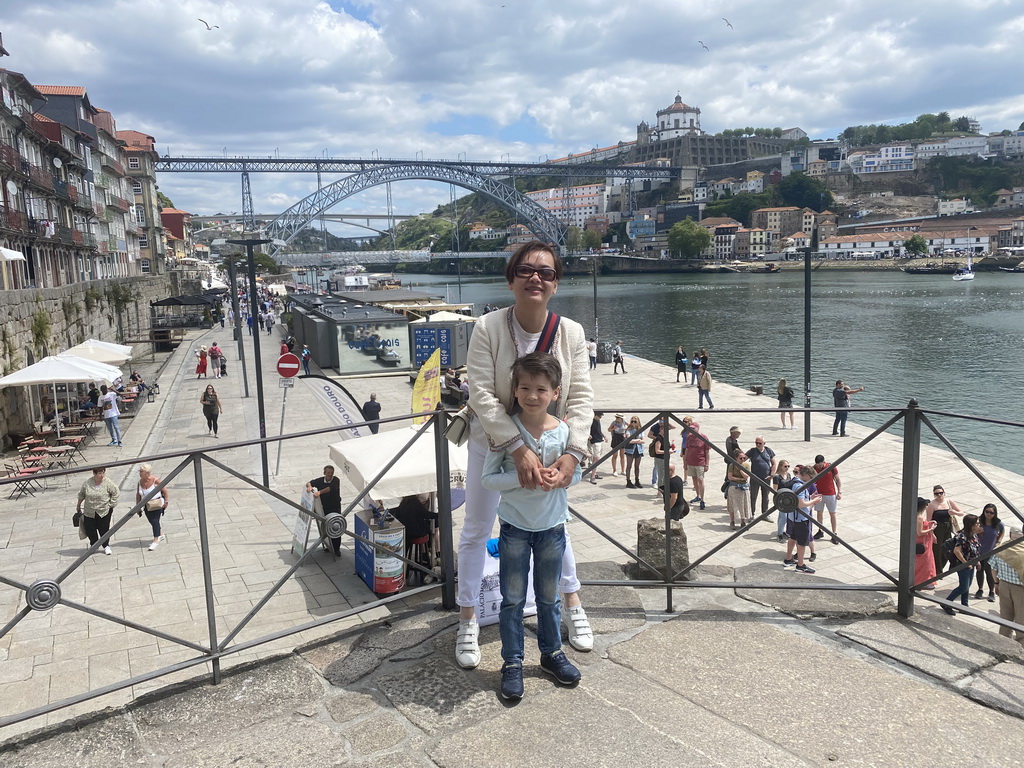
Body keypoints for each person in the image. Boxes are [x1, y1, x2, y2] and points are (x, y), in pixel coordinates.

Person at [458, 240, 594, 671]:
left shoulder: (570, 332)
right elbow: (480, 391)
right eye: (526, 270)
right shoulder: (489, 327)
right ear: (511, 278)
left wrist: (574, 453)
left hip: (553, 446)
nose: (535, 278)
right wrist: (515, 448)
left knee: (555, 526)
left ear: (555, 284)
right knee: (477, 527)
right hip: (494, 444)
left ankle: (573, 604)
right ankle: (467, 619)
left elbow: (581, 397)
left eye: (546, 272)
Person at [481, 352, 582, 700]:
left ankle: (552, 653)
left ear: (555, 393)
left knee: (549, 597)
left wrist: (561, 477)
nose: (532, 395)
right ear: (514, 389)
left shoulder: (564, 430)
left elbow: (577, 472)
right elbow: (488, 479)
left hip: (553, 527)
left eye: (541, 389)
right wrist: (520, 477)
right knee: (511, 599)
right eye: (525, 387)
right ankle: (512, 661)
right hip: (514, 529)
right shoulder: (506, 432)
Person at [783, 466, 822, 574]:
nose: (811, 481)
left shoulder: (794, 483)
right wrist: (813, 500)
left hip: (793, 516)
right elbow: (801, 504)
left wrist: (810, 497)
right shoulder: (800, 485)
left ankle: (788, 559)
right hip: (801, 518)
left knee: (792, 538)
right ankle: (800, 565)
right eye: (810, 478)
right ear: (805, 475)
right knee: (802, 543)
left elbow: (798, 500)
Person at [942, 513, 982, 615]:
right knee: (963, 587)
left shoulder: (973, 534)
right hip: (962, 565)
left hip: (971, 564)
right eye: (977, 523)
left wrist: (977, 561)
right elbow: (957, 551)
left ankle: (964, 606)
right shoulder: (962, 536)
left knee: (967, 585)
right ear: (970, 525)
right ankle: (946, 603)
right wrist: (966, 563)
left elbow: (975, 550)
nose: (979, 525)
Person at [990, 526, 1024, 646]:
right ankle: (1021, 646)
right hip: (1020, 589)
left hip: (1003, 585)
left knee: (1005, 616)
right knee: (1021, 619)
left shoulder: (1001, 549)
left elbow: (993, 569)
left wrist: (996, 583)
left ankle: (1004, 644)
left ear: (1010, 535)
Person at [76, 467, 119, 555]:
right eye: (100, 473)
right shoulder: (87, 483)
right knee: (90, 529)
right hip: (89, 511)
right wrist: (78, 505)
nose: (102, 475)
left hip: (103, 511)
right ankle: (94, 544)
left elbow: (115, 493)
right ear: (94, 474)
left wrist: (111, 505)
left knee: (104, 529)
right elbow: (82, 494)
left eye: (103, 472)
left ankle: (106, 545)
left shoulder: (108, 483)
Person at [306, 465, 342, 556]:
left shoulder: (336, 480)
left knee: (336, 526)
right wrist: (309, 487)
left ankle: (336, 548)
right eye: (328, 473)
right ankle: (329, 545)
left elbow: (330, 488)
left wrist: (319, 492)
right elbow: (310, 482)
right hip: (324, 508)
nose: (330, 475)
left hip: (334, 508)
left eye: (331, 473)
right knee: (326, 527)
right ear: (324, 473)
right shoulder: (320, 480)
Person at [927, 484, 964, 573]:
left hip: (947, 527)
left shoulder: (949, 501)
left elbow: (961, 513)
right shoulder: (932, 505)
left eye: (941, 493)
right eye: (936, 494)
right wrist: (932, 533)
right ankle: (937, 570)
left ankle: (941, 567)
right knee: (937, 549)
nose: (939, 495)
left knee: (947, 547)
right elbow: (928, 521)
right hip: (937, 528)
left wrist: (953, 512)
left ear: (944, 493)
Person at [136, 463, 169, 551]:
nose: (140, 473)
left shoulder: (155, 480)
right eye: (140, 471)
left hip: (157, 504)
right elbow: (138, 495)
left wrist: (166, 502)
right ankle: (160, 534)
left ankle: (155, 540)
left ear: (147, 473)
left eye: (142, 472)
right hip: (147, 505)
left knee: (155, 521)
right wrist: (138, 506)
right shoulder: (140, 482)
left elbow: (165, 491)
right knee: (152, 521)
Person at [975, 503, 1005, 601]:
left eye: (991, 512)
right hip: (979, 551)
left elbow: (1002, 531)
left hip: (990, 552)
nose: (988, 514)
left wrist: (999, 541)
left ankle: (991, 591)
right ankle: (980, 589)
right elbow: (971, 531)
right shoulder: (979, 522)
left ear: (995, 514)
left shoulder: (997, 524)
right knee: (979, 570)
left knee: (989, 572)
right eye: (986, 512)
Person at [811, 454, 841, 544]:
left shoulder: (831, 467)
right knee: (819, 512)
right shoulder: (814, 468)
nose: (819, 467)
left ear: (824, 462)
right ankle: (820, 530)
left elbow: (837, 480)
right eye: (817, 465)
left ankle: (834, 533)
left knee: (833, 513)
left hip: (830, 493)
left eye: (820, 465)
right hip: (819, 494)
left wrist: (839, 492)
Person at [746, 436, 777, 520]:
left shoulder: (768, 451)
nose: (758, 445)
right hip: (755, 478)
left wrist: (772, 474)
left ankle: (765, 514)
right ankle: (751, 514)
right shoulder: (752, 451)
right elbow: (743, 459)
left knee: (765, 497)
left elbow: (774, 463)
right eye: (756, 443)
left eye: (760, 443)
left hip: (766, 478)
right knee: (753, 496)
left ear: (764, 443)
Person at [684, 421, 709, 510]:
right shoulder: (689, 437)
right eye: (690, 428)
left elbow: (707, 451)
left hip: (700, 462)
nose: (691, 430)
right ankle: (697, 496)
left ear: (697, 428)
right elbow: (687, 450)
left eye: (693, 428)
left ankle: (702, 499)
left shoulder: (704, 437)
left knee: (701, 480)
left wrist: (707, 464)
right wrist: (685, 462)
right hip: (691, 461)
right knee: (694, 479)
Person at [914, 496, 937, 590]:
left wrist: (928, 523)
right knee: (925, 562)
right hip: (923, 541)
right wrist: (931, 529)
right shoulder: (919, 517)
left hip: (921, 541)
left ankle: (921, 580)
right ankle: (923, 581)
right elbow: (919, 532)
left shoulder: (913, 515)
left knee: (922, 562)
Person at [726, 450, 751, 530]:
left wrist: (740, 469)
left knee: (743, 505)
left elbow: (747, 476)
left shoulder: (746, 465)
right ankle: (732, 521)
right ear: (736, 458)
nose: (743, 460)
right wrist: (740, 478)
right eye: (741, 458)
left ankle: (743, 521)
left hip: (743, 487)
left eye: (744, 458)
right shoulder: (731, 465)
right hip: (734, 487)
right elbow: (730, 477)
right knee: (732, 505)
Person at [772, 460, 796, 541]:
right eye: (785, 466)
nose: (787, 468)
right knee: (783, 517)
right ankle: (780, 534)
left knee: (783, 516)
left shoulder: (788, 475)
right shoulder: (777, 477)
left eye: (788, 466)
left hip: (788, 498)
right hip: (781, 498)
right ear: (781, 467)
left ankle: (781, 530)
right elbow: (775, 489)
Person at [622, 416, 645, 489]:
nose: (633, 423)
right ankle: (628, 481)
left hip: (639, 449)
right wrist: (638, 440)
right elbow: (629, 440)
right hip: (630, 450)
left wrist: (635, 441)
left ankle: (637, 480)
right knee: (629, 466)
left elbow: (643, 440)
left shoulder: (640, 430)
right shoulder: (629, 430)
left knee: (637, 466)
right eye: (632, 421)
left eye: (635, 421)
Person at [588, 411, 605, 484]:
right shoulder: (591, 421)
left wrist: (604, 436)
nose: (600, 418)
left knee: (596, 458)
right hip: (595, 441)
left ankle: (594, 473)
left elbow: (599, 430)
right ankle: (592, 476)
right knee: (597, 458)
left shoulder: (598, 421)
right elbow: (586, 428)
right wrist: (588, 435)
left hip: (600, 440)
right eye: (599, 416)